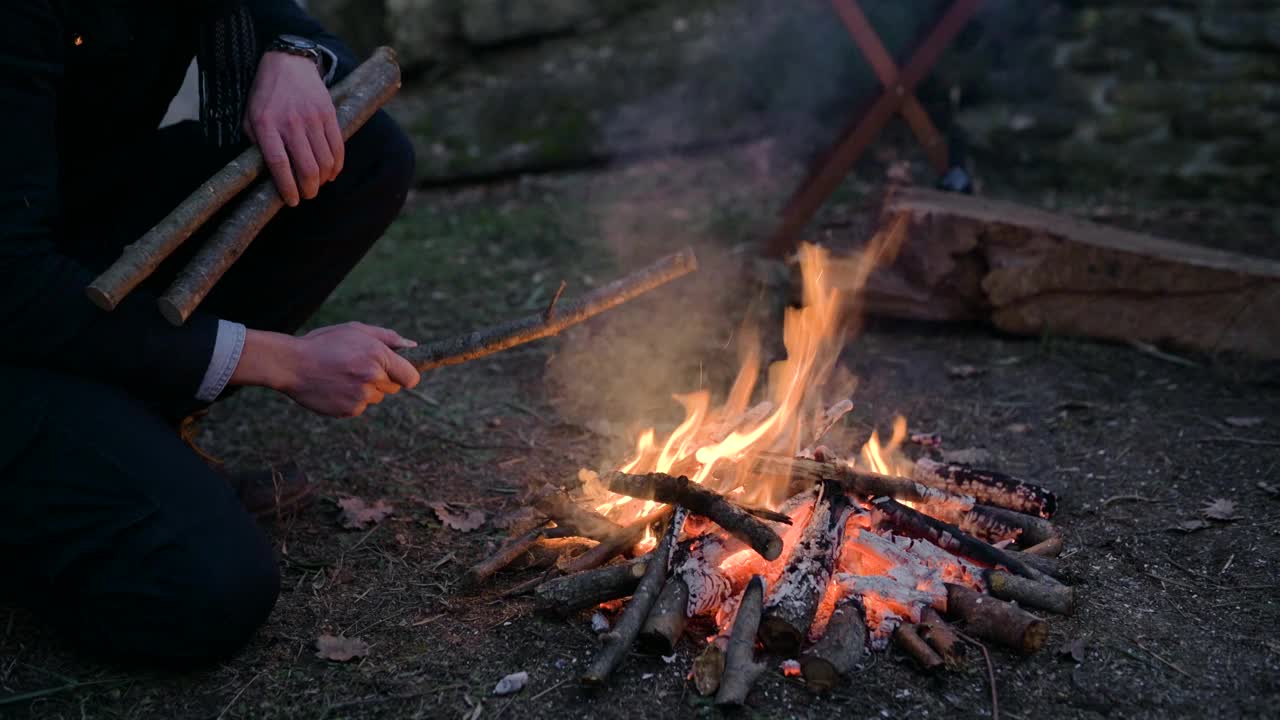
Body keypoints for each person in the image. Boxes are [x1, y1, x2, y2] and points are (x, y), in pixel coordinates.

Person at [0, 1, 421, 664]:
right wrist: (279, 360)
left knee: (357, 147)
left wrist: (294, 57)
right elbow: (14, 286)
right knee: (208, 589)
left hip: (68, 230)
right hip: (14, 298)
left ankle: (129, 433)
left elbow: (281, 15)